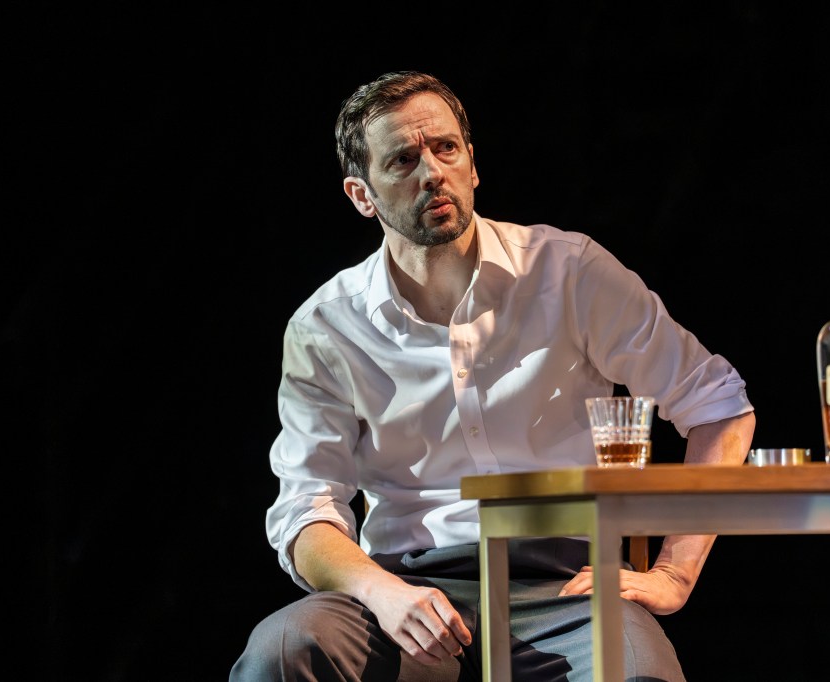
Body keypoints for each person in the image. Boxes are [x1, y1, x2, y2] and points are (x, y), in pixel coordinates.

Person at [230, 70, 756, 682]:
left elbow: (718, 405)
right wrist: (381, 592)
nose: (433, 172)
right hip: (406, 592)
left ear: (472, 164)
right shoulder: (327, 325)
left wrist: (674, 571)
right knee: (283, 651)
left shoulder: (566, 271)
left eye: (445, 148)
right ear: (361, 195)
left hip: (566, 589)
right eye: (403, 160)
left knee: (640, 675)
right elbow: (304, 511)